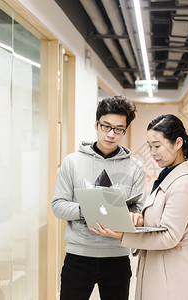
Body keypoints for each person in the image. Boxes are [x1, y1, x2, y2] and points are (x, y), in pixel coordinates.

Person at [92, 114, 188, 300]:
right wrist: (140, 220)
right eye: (150, 146)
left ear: (177, 143)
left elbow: (169, 236)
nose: (152, 152)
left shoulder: (183, 184)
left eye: (157, 146)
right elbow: (161, 220)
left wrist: (122, 235)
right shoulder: (168, 175)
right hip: (160, 266)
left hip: (172, 272)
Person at [51, 95, 146, 300]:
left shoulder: (135, 167)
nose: (111, 134)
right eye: (106, 126)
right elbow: (58, 205)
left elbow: (139, 209)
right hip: (78, 257)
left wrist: (134, 217)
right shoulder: (72, 162)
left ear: (125, 130)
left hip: (117, 258)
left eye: (119, 129)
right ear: (96, 124)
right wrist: (87, 209)